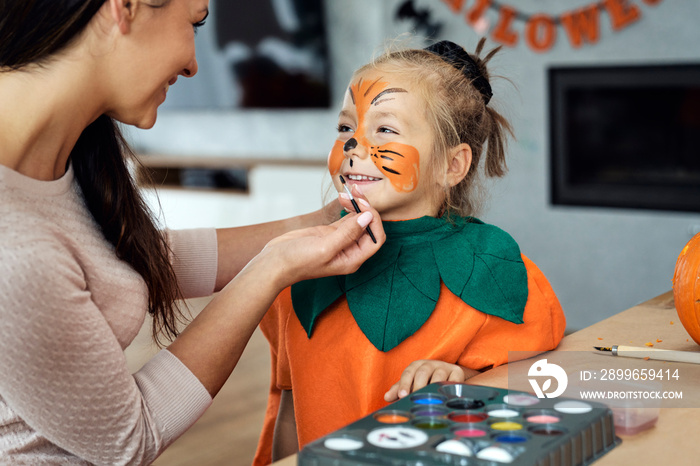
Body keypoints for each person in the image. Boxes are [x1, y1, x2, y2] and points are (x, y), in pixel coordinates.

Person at [0, 1, 385, 464]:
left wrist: (318, 222)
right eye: (195, 23)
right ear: (126, 7)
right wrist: (271, 270)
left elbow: (110, 262)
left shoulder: (59, 156)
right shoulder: (13, 246)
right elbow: (129, 439)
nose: (194, 64)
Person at [253, 38, 567, 464]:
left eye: (384, 129)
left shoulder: (493, 265)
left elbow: (532, 385)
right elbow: (291, 409)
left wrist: (461, 380)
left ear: (451, 165)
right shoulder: (303, 264)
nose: (354, 145)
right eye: (346, 127)